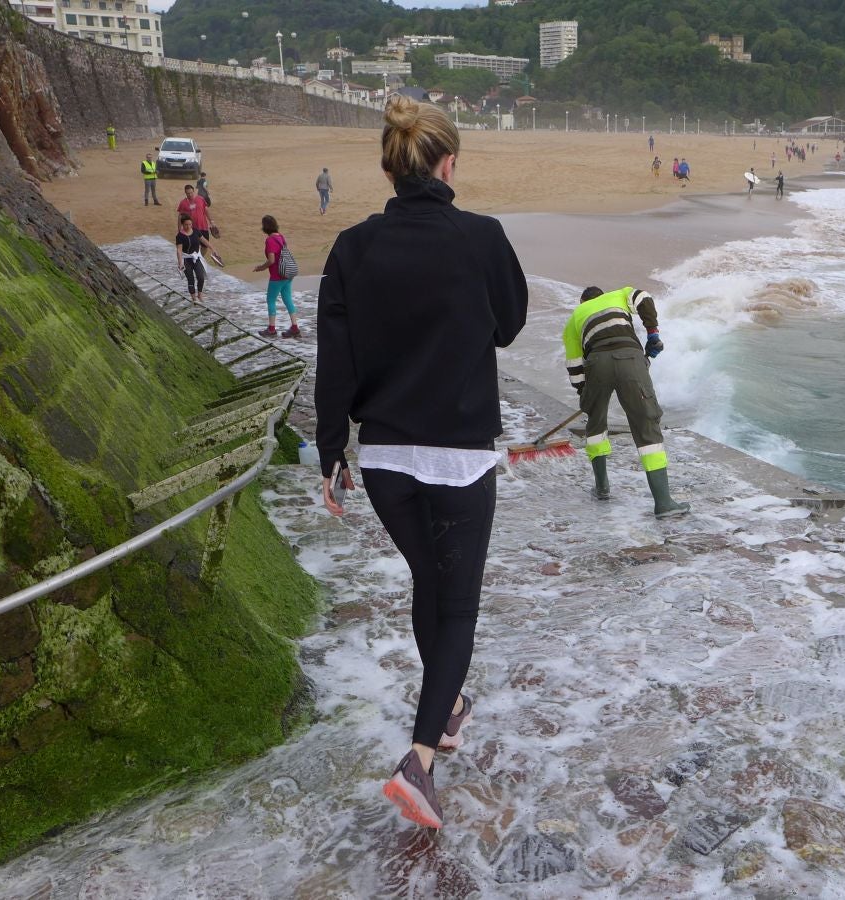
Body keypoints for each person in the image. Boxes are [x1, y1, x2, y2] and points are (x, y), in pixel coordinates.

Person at [315, 95, 527, 831]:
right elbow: (511, 324)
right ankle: (420, 760)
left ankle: (450, 708)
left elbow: (333, 359)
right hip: (460, 455)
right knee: (458, 602)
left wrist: (327, 448)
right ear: (448, 162)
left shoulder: (352, 247)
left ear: (389, 167)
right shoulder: (482, 238)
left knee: (427, 583)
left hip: (385, 460)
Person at [563, 285, 688, 517]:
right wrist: (652, 335)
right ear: (602, 295)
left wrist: (585, 395)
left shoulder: (574, 319)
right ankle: (663, 503)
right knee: (646, 424)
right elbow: (644, 297)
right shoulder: (619, 295)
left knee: (596, 423)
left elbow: (575, 366)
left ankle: (601, 488)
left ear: (582, 302)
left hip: (596, 363)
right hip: (631, 357)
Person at [253, 215, 298, 338]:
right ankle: (295, 327)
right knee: (288, 299)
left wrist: (261, 267)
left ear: (265, 227)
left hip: (277, 276)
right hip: (287, 274)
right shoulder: (281, 237)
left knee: (271, 300)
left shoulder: (270, 240)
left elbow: (272, 260)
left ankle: (271, 329)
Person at [173, 213, 214, 303]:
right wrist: (180, 263)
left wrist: (213, 249)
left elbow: (204, 240)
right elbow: (179, 250)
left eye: (190, 224)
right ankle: (193, 298)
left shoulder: (196, 231)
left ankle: (199, 294)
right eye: (186, 225)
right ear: (182, 225)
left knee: (201, 277)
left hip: (196, 257)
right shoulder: (179, 236)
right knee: (190, 279)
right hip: (186, 259)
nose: (188, 226)